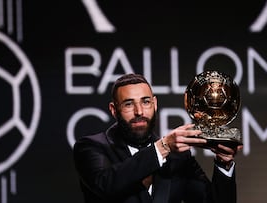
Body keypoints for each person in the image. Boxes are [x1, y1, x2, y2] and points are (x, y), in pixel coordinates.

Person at [73, 73, 242, 203]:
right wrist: (163, 147)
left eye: (145, 102)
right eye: (129, 104)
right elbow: (106, 186)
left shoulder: (179, 157)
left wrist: (223, 164)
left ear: (155, 104)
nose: (139, 112)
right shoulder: (91, 147)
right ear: (113, 109)